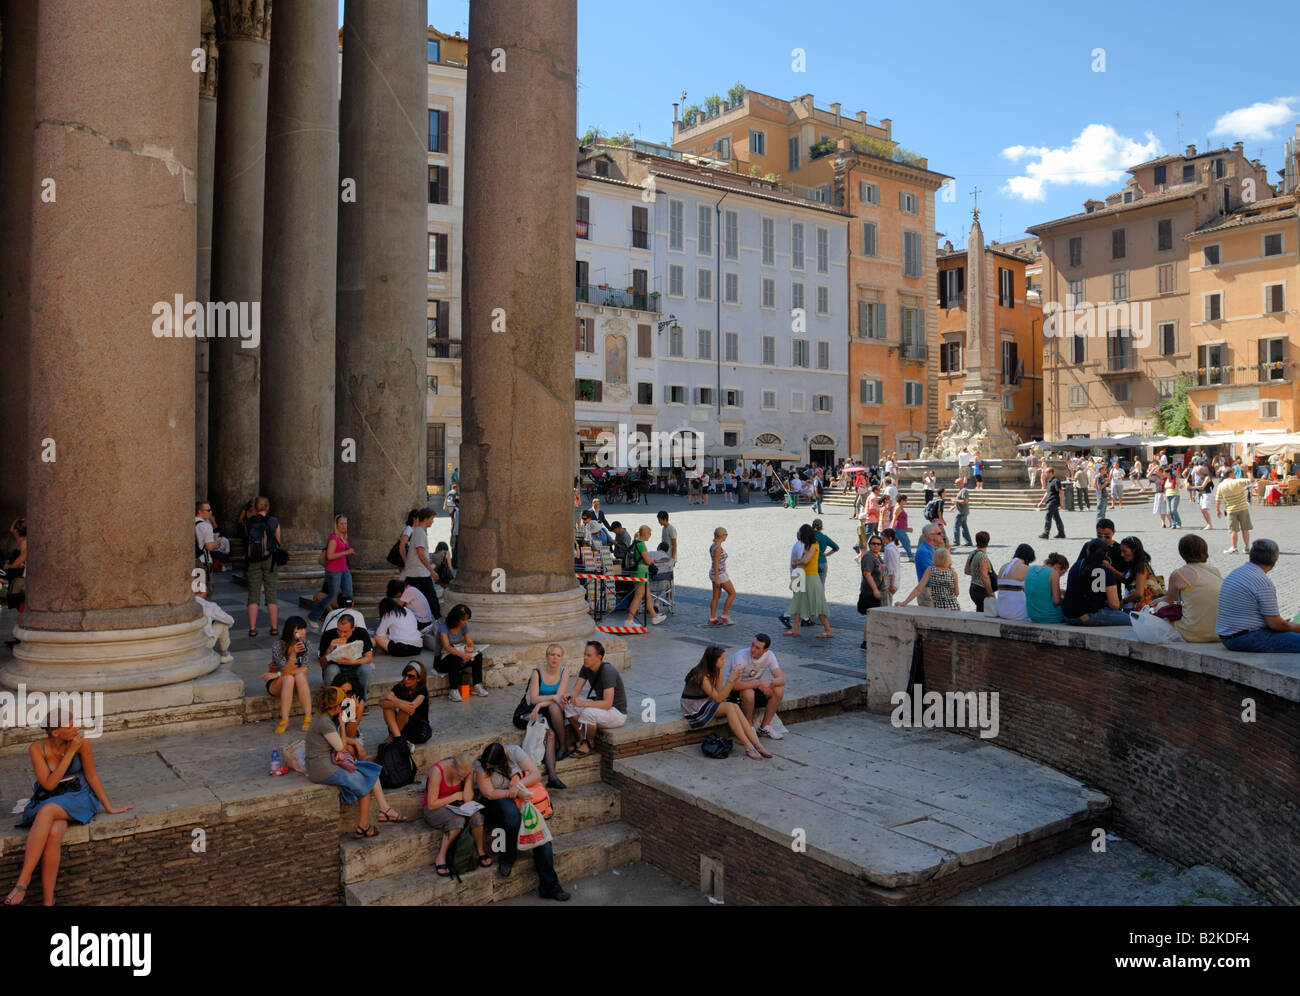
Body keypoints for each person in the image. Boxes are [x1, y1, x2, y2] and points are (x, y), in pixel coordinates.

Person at [5, 708, 133, 906]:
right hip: (50, 794)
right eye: (70, 726)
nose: (76, 728)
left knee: (48, 811)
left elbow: (92, 775)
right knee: (54, 832)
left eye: (75, 723)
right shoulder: (36, 749)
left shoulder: (82, 744)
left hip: (78, 796)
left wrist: (109, 806)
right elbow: (48, 784)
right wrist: (70, 752)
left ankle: (23, 881)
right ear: (55, 732)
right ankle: (49, 901)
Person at [308, 686, 406, 840]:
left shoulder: (321, 716)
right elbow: (340, 746)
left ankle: (382, 811)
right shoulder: (325, 722)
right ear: (339, 705)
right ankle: (365, 825)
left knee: (369, 769)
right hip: (323, 769)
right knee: (366, 782)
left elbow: (340, 745)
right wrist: (342, 723)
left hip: (326, 764)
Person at [474, 743, 570, 900]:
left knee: (541, 837)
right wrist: (512, 794)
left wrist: (518, 787)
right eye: (488, 765)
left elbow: (536, 775)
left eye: (493, 765)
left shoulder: (514, 752)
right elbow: (489, 793)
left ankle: (550, 886)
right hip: (496, 800)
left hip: (520, 795)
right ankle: (508, 857)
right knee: (512, 817)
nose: (488, 766)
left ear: (502, 760)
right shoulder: (481, 765)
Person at [679, 646, 772, 761]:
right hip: (693, 707)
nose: (724, 661)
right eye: (721, 659)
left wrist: (731, 681)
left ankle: (757, 745)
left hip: (706, 701)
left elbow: (720, 695)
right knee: (729, 707)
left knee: (733, 706)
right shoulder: (701, 675)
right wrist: (731, 681)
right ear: (713, 660)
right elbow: (718, 698)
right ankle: (748, 747)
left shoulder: (717, 671)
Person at [1215, 539, 1300, 652]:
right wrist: (1294, 627)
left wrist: (1283, 625)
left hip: (1229, 636)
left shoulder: (1237, 572)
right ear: (1274, 561)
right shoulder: (1262, 581)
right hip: (1246, 638)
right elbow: (1275, 624)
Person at [512, 643, 570, 788]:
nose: (555, 658)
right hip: (537, 711)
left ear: (561, 658)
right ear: (546, 656)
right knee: (549, 733)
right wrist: (539, 704)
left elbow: (559, 698)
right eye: (552, 654)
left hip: (553, 710)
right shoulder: (537, 673)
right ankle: (552, 777)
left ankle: (562, 746)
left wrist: (540, 704)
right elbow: (533, 699)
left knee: (554, 706)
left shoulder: (564, 673)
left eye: (558, 655)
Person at [422, 754, 491, 877]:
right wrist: (454, 796)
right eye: (459, 775)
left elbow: (468, 798)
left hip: (455, 805)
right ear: (452, 767)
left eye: (464, 777)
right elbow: (431, 804)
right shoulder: (437, 771)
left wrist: (468, 777)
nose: (461, 779)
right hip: (435, 808)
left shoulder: (466, 772)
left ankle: (480, 850)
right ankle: (441, 857)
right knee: (457, 820)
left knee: (477, 816)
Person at [563, 640, 627, 756]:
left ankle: (589, 743)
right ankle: (583, 739)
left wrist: (582, 703)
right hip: (600, 706)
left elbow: (608, 704)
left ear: (599, 657)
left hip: (616, 712)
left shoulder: (608, 671)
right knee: (568, 705)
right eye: (584, 654)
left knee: (588, 713)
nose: (585, 658)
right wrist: (569, 696)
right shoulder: (586, 668)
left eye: (589, 655)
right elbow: (576, 690)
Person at [1158, 534, 1223, 643]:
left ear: (1182, 553)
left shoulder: (1179, 574)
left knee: (1161, 606)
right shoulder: (1215, 571)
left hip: (1192, 634)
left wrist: (1158, 601)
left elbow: (1171, 600)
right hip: (1218, 633)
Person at [727, 634, 786, 737]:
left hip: (754, 688)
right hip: (736, 692)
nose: (752, 649)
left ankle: (765, 726)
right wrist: (758, 684)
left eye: (757, 648)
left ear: (765, 650)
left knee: (778, 690)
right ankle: (749, 728)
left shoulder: (769, 655)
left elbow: (782, 679)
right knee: (748, 692)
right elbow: (733, 685)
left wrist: (770, 683)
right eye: (752, 645)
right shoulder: (741, 656)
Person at [1062, 539, 1131, 627]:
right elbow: (1114, 605)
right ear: (1106, 554)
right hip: (1087, 616)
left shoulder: (1077, 565)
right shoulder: (1106, 571)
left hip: (1067, 615)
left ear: (1087, 551)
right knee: (1130, 619)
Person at [264, 616, 314, 735]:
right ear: (290, 631)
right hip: (278, 684)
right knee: (288, 678)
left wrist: (277, 674)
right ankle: (285, 720)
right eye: (298, 630)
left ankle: (308, 717)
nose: (302, 633)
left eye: (304, 629)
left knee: (299, 676)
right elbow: (285, 671)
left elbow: (304, 669)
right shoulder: (278, 645)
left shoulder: (307, 644)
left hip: (286, 678)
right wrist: (293, 655)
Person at [244, 496, 282, 638]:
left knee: (253, 594)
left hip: (253, 560)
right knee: (271, 592)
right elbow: (278, 542)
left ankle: (252, 628)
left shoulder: (248, 521)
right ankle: (274, 628)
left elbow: (245, 539)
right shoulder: (274, 521)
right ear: (267, 507)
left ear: (254, 507)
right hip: (270, 559)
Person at [785, 524, 832, 639]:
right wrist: (798, 562)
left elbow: (806, 561)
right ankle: (795, 629)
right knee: (797, 602)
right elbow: (804, 561)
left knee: (817, 603)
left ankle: (828, 630)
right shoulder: (808, 546)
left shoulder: (814, 545)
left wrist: (797, 562)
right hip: (803, 576)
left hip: (811, 578)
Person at [308, 514, 356, 625]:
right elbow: (329, 556)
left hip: (344, 570)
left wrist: (348, 552)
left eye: (346, 523)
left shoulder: (344, 537)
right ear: (336, 525)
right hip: (334, 571)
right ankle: (313, 617)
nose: (344, 526)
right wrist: (346, 552)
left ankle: (347, 619)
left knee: (348, 594)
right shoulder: (333, 538)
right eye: (342, 524)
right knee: (332, 597)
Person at [434, 604, 487, 701]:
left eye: (467, 620)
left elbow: (470, 642)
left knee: (478, 655)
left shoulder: (464, 627)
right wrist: (462, 654)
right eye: (463, 620)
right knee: (453, 657)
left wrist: (470, 649)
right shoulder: (443, 628)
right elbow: (447, 647)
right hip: (442, 661)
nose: (466, 622)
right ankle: (453, 689)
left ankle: (477, 685)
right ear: (455, 619)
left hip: (459, 657)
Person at [320, 612, 375, 700]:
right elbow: (322, 664)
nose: (341, 635)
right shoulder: (328, 635)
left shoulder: (361, 633)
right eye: (339, 630)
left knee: (367, 669)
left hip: (355, 665)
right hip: (336, 666)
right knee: (331, 670)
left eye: (345, 631)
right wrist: (329, 650)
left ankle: (363, 701)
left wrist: (352, 662)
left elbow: (369, 658)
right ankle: (331, 701)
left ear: (353, 628)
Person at [379, 661, 432, 744]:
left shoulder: (422, 690)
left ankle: (394, 737)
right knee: (388, 707)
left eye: (411, 676)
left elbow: (411, 708)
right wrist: (398, 704)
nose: (406, 679)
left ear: (419, 678)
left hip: (420, 731)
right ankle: (398, 737)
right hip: (403, 728)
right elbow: (381, 702)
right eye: (405, 675)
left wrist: (395, 701)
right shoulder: (401, 686)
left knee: (404, 709)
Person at [623, 524, 666, 628]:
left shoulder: (637, 542)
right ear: (645, 534)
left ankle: (654, 617)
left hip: (639, 571)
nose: (650, 535)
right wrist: (653, 561)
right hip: (641, 572)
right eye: (649, 533)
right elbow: (647, 560)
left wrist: (652, 560)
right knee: (638, 597)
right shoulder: (641, 544)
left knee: (647, 596)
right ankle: (629, 621)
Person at [402, 507, 441, 618]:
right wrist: (432, 570)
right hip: (419, 573)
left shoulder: (419, 532)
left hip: (417, 573)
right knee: (431, 598)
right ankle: (439, 621)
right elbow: (420, 553)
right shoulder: (420, 533)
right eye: (432, 519)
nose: (433, 522)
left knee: (413, 599)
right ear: (426, 519)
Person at [899, 546, 960, 611]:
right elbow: (956, 593)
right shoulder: (953, 573)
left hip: (938, 607)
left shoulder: (930, 570)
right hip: (953, 607)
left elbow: (918, 589)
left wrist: (904, 602)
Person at [993, 544, 1035, 621]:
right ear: (1028, 558)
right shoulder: (1026, 569)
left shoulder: (1003, 567)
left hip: (1002, 611)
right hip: (1018, 613)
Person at [1024, 553, 1069, 624]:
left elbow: (1040, 589)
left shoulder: (1031, 569)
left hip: (1033, 616)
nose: (1061, 575)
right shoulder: (1053, 573)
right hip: (1050, 617)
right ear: (1058, 566)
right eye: (1062, 573)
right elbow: (1056, 601)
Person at [858, 536, 886, 645]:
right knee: (872, 618)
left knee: (874, 618)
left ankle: (870, 640)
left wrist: (884, 585)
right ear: (869, 545)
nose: (876, 545)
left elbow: (882, 571)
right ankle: (866, 642)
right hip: (870, 592)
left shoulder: (877, 556)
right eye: (873, 543)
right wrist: (875, 589)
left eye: (878, 544)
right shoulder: (868, 557)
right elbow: (867, 573)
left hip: (877, 590)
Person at [1117, 536, 1157, 610]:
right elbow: (1126, 579)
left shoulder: (1141, 567)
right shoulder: (1134, 564)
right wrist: (1109, 567)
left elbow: (1139, 593)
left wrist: (1122, 601)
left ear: (1134, 550)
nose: (1122, 555)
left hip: (1137, 610)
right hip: (1132, 608)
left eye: (1124, 551)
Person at [1215, 475, 1252, 554]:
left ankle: (1234, 548)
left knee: (1233, 530)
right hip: (1243, 508)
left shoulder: (1221, 485)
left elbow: (1218, 499)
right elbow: (1251, 480)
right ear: (1231, 474)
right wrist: (1248, 471)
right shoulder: (1237, 481)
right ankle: (1247, 547)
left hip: (1231, 510)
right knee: (1245, 529)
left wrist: (1218, 510)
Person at [707, 526, 736, 626]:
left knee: (715, 596)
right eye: (726, 534)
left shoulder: (713, 545)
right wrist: (718, 579)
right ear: (721, 535)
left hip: (714, 573)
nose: (727, 536)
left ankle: (712, 618)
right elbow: (716, 563)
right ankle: (724, 616)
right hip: (720, 574)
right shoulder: (718, 548)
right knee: (732, 593)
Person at [196, 593, 236, 665]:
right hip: (203, 644)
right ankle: (225, 654)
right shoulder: (209, 605)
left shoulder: (186, 604)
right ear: (205, 593)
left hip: (187, 643)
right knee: (222, 623)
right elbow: (230, 620)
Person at [912, 523, 944, 609]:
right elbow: (933, 574)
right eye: (939, 533)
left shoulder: (932, 549)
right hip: (928, 591)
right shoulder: (924, 551)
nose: (942, 535)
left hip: (933, 590)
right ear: (930, 536)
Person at [329, 672, 367, 745]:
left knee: (351, 748)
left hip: (348, 736)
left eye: (349, 692)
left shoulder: (357, 702)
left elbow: (350, 735)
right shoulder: (329, 699)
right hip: (331, 735)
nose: (345, 696)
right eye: (341, 692)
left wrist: (353, 712)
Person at [964, 532, 994, 613]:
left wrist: (976, 573)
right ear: (988, 541)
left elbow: (966, 571)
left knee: (980, 611)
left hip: (973, 588)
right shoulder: (983, 556)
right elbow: (984, 576)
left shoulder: (972, 553)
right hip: (981, 589)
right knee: (987, 614)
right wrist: (991, 592)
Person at [195, 499, 219, 596]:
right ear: (200, 511)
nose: (211, 512)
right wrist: (217, 542)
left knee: (196, 588)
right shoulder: (206, 526)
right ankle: (201, 610)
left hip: (193, 560)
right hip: (203, 561)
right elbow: (209, 547)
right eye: (208, 510)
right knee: (203, 592)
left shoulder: (189, 522)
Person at [1036, 468, 1066, 539]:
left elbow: (1061, 492)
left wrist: (1061, 503)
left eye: (1046, 473)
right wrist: (1041, 502)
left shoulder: (1056, 481)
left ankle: (1046, 533)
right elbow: (1047, 492)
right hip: (1050, 501)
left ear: (1051, 473)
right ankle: (1061, 533)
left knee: (1048, 517)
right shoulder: (1049, 481)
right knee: (1057, 518)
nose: (1045, 474)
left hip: (1053, 502)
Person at [811, 518, 840, 589]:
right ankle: (821, 599)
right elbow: (836, 547)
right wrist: (827, 554)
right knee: (821, 585)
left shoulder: (810, 537)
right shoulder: (824, 537)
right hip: (822, 562)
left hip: (812, 562)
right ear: (821, 527)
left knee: (811, 585)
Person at [879, 528, 901, 607]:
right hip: (892, 581)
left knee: (886, 605)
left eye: (883, 536)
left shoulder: (890, 549)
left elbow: (892, 569)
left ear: (890, 538)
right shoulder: (892, 547)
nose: (882, 538)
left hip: (889, 582)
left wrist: (891, 584)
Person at [951, 478, 973, 547]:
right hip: (963, 511)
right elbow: (960, 501)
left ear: (961, 483)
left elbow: (965, 501)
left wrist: (955, 500)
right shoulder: (961, 490)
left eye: (956, 483)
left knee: (956, 526)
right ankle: (968, 542)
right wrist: (954, 506)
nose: (955, 485)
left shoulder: (964, 490)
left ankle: (956, 542)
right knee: (964, 527)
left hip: (961, 512)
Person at [891, 494, 914, 560]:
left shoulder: (899, 506)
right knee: (906, 542)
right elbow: (894, 518)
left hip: (900, 527)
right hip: (898, 528)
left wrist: (906, 528)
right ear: (901, 500)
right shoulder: (898, 507)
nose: (906, 502)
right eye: (905, 500)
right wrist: (892, 529)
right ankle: (910, 557)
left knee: (894, 544)